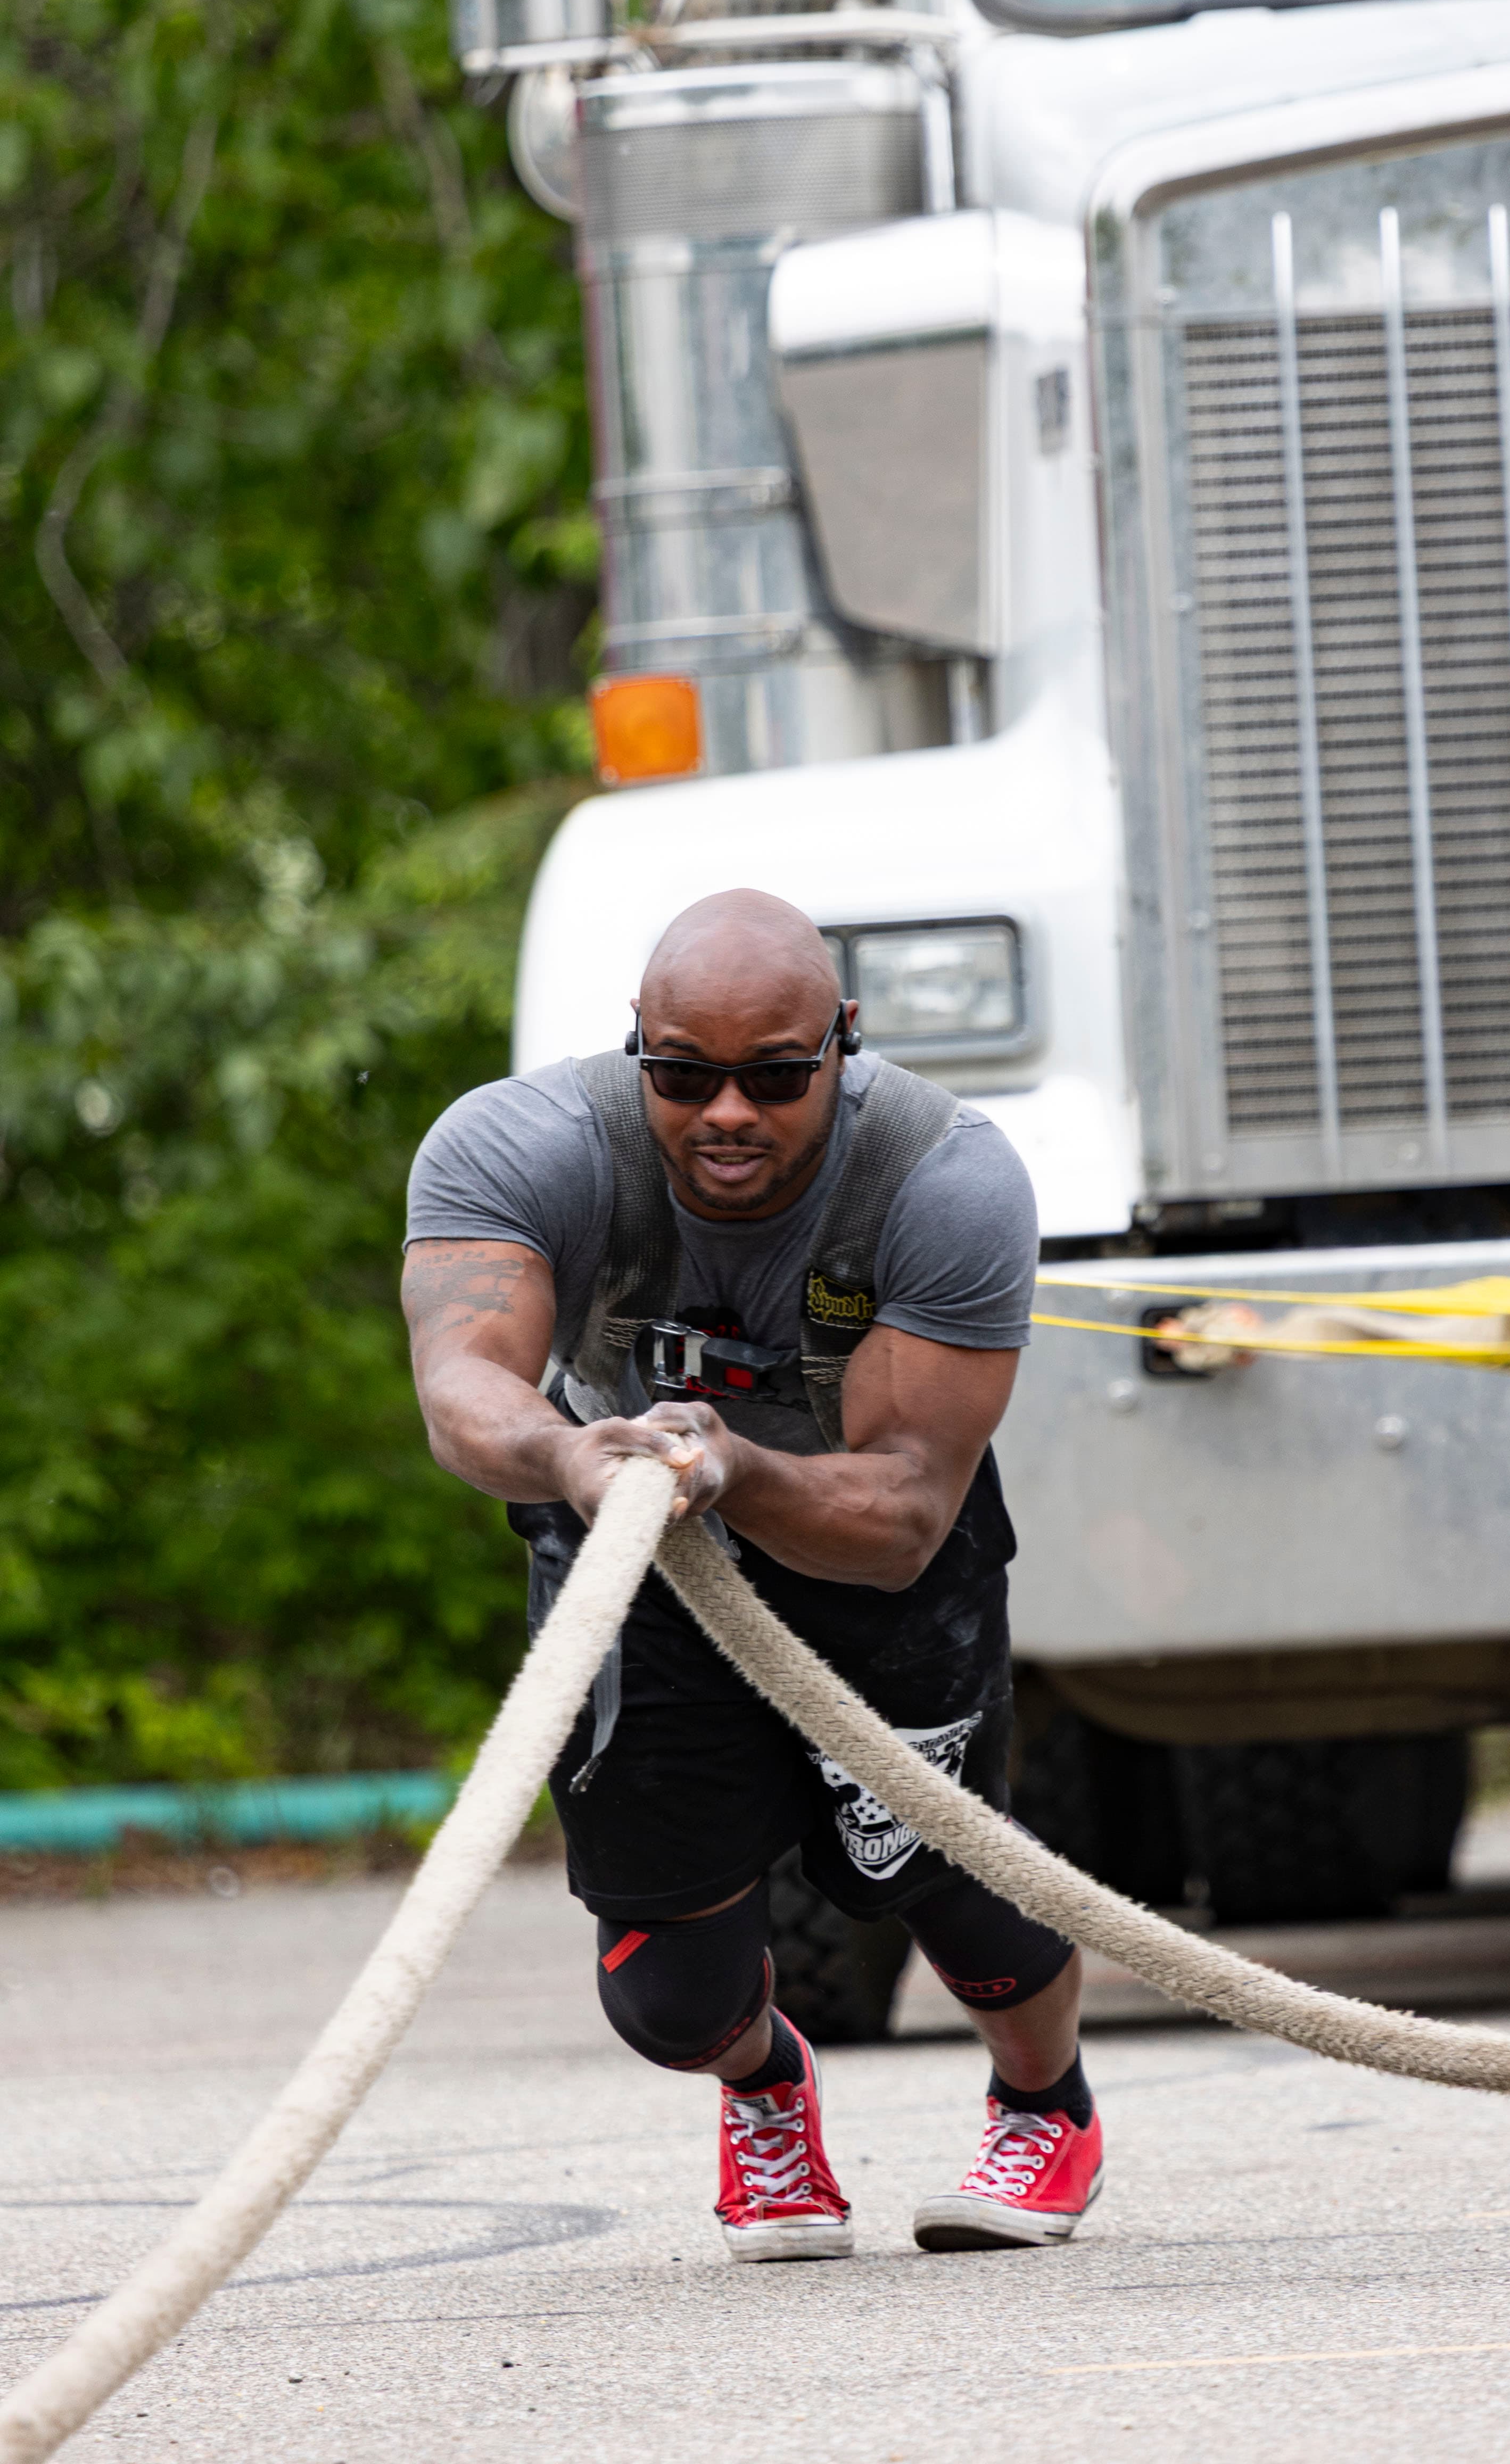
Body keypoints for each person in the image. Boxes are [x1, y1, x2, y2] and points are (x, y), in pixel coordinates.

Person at [400, 887, 1100, 2262]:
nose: (730, 1112)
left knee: (951, 1881)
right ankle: (766, 2088)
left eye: (778, 1076)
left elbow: (904, 1508)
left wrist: (740, 1467)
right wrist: (577, 1460)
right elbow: (461, 1389)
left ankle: (1044, 2098)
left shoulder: (945, 1176)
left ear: (843, 1042)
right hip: (625, 1539)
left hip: (871, 1541)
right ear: (638, 1049)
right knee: (667, 1999)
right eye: (686, 1074)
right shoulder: (519, 1144)